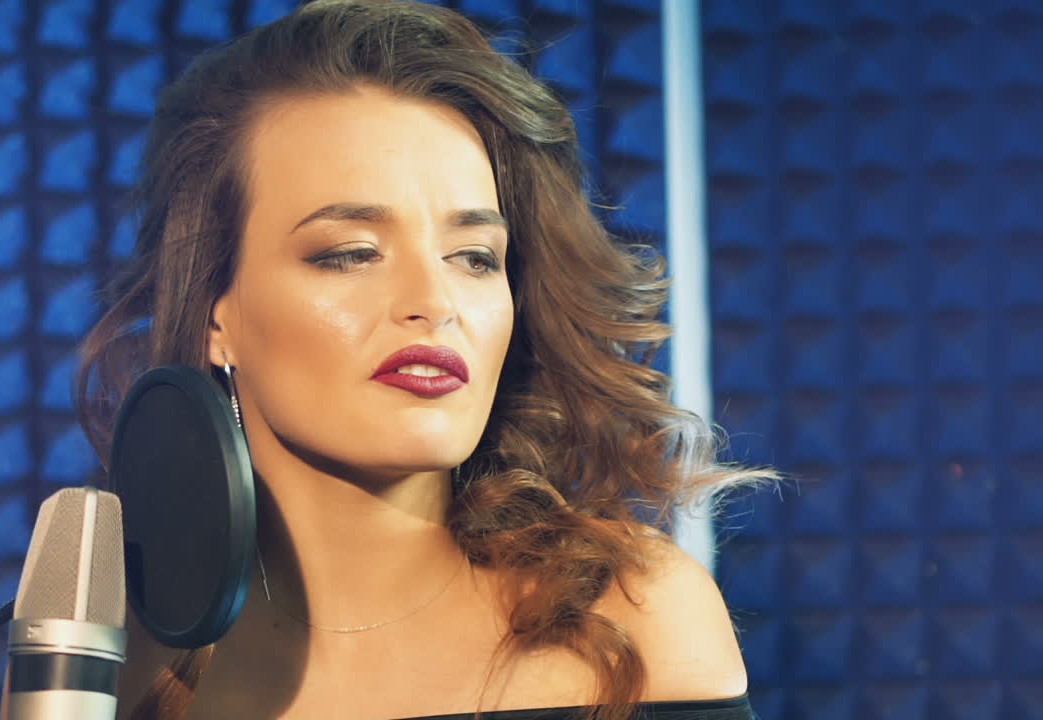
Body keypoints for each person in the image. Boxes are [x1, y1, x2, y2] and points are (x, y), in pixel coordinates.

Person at [69, 1, 775, 718]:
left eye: (474, 257)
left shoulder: (634, 617)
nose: (434, 301)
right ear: (215, 312)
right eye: (350, 253)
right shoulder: (106, 666)